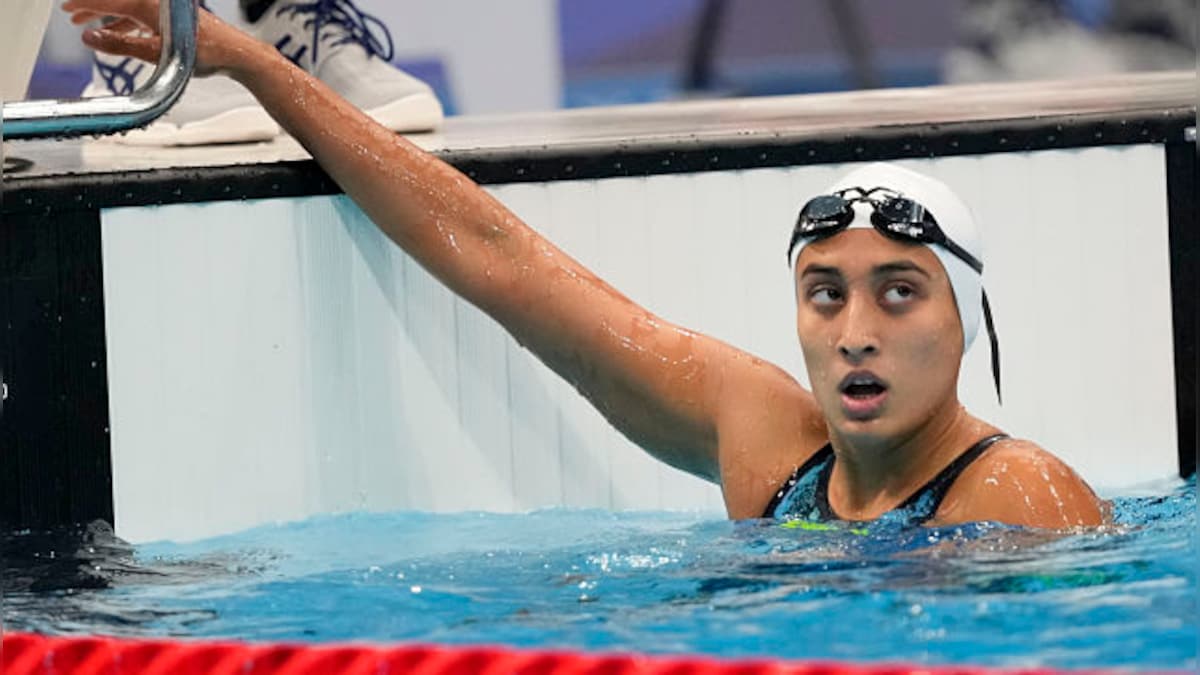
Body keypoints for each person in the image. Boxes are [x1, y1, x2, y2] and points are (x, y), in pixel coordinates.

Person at [63, 0, 1109, 529]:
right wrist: (245, 60)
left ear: (966, 320)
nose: (856, 332)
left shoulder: (1018, 496)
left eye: (899, 293)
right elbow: (500, 259)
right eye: (824, 295)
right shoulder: (761, 438)